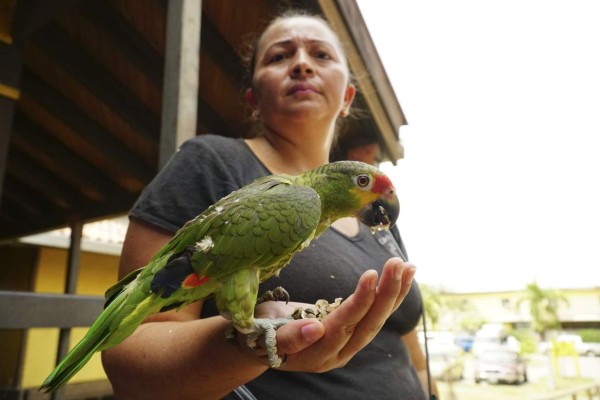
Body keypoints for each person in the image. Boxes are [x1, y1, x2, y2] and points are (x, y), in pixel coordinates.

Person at [102, 10, 438, 400]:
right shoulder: (211, 161)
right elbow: (130, 353)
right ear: (253, 98)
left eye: (322, 56)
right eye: (279, 56)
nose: (300, 64)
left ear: (347, 96)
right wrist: (248, 341)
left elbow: (408, 346)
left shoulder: (373, 220)